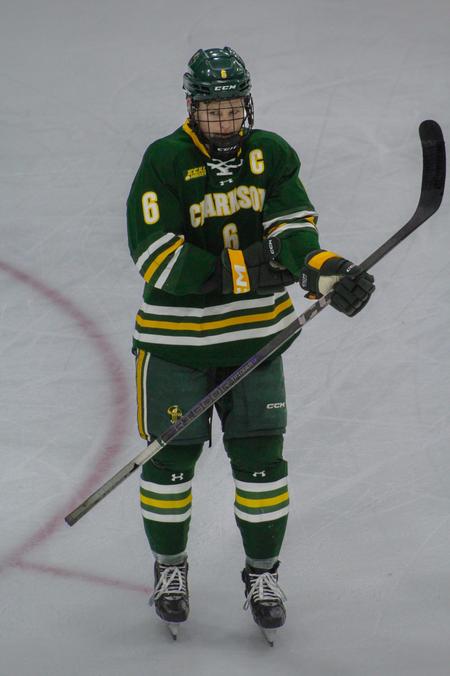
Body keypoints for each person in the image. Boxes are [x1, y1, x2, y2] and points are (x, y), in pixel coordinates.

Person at [126, 46, 375, 639]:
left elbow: (292, 230)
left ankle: (263, 575)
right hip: (176, 344)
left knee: (263, 464)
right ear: (192, 107)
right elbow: (155, 255)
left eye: (234, 108)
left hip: (256, 341)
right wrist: (248, 270)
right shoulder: (164, 160)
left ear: (248, 104)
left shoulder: (271, 155)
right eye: (213, 110)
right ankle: (169, 567)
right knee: (169, 464)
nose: (225, 121)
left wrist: (325, 272)